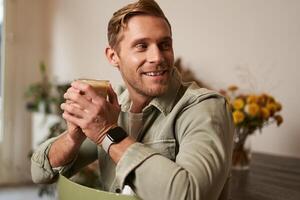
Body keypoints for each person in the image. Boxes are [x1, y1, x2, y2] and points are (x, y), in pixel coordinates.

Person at [31, 0, 234, 199]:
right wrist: (73, 137)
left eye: (164, 44)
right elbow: (39, 172)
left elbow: (191, 195)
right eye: (141, 46)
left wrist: (107, 133)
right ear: (113, 56)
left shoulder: (206, 108)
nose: (157, 57)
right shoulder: (113, 110)